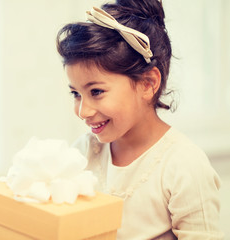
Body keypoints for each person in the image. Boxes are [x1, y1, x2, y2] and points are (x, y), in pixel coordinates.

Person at [56, 0, 223, 239]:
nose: (83, 111)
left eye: (96, 92)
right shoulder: (83, 152)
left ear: (147, 84)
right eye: (76, 94)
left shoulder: (184, 166)